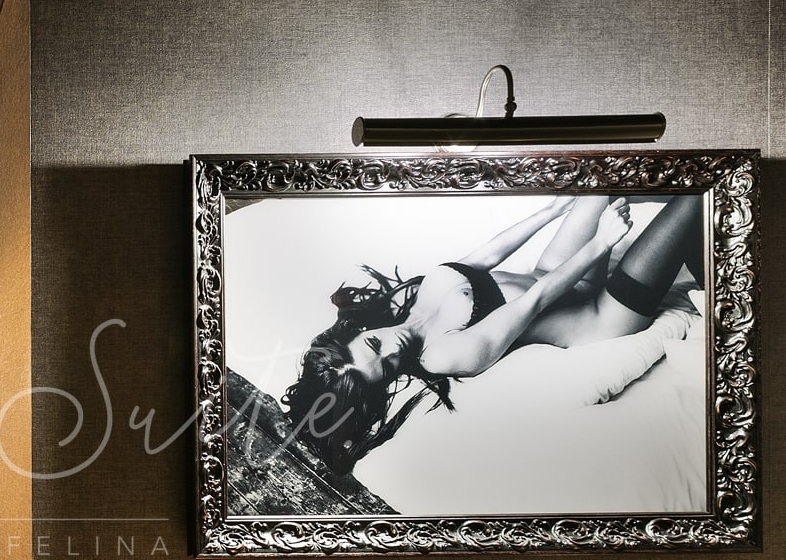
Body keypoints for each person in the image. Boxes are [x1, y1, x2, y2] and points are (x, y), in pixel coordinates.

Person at [284, 193, 705, 474]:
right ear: (384, 386)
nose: (389, 350)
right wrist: (600, 244)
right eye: (387, 366)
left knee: (597, 181)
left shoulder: (406, 298)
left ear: (357, 334)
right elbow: (534, 303)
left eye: (373, 346)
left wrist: (554, 210)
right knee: (691, 204)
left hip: (553, 271)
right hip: (601, 314)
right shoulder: (444, 356)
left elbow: (484, 256)